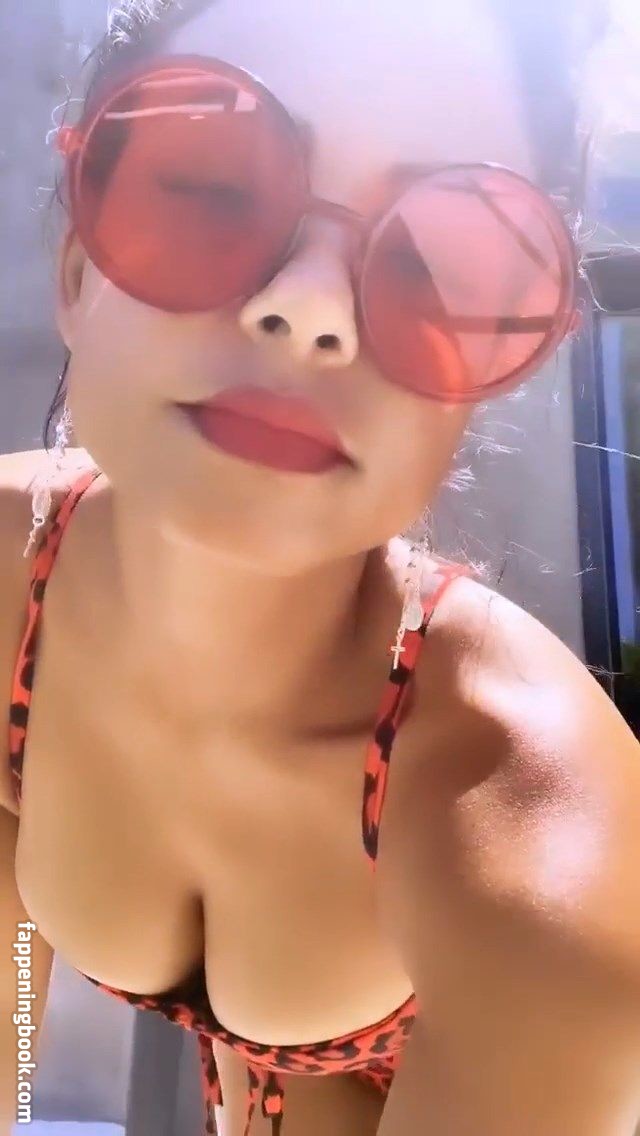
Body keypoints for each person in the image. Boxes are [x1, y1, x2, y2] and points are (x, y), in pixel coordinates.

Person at [2, 1, 640, 1134]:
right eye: (207, 187)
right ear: (74, 267)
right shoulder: (12, 588)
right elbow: (11, 1004)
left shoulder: (537, 837)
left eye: (439, 261)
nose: (309, 307)